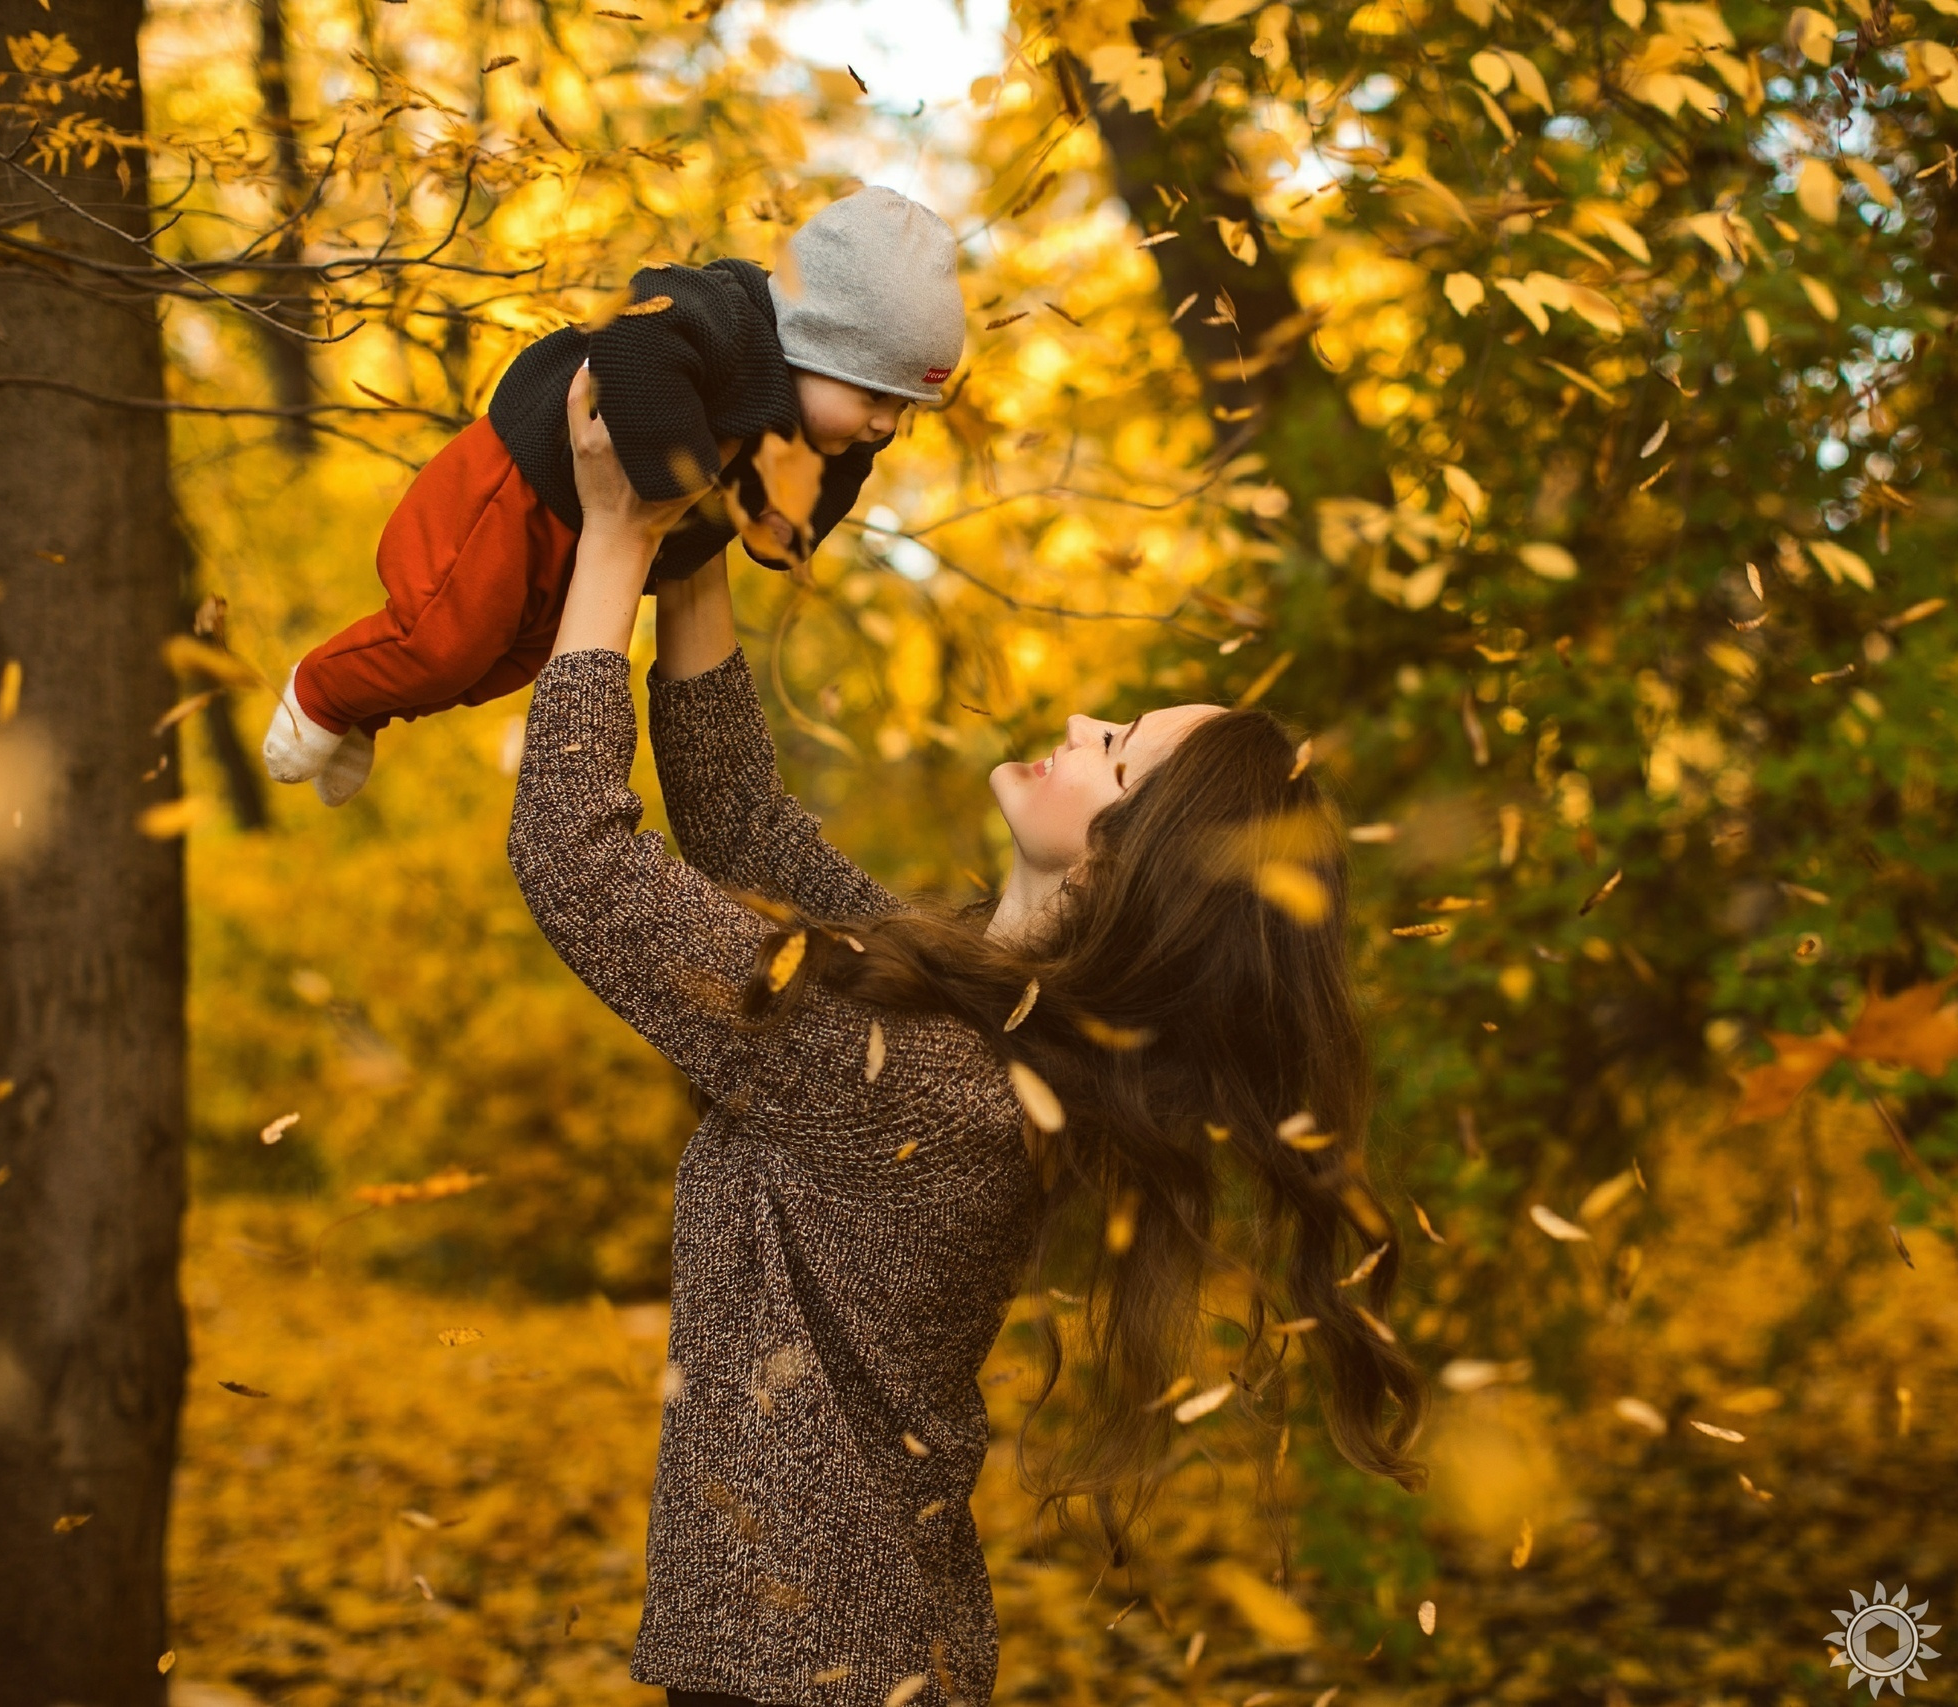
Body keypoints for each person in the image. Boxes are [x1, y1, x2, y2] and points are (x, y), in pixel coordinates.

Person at [509, 366, 1424, 1707]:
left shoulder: (931, 1083)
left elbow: (577, 861)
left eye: (1113, 750)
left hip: (810, 1673)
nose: (1074, 723)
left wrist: (612, 535)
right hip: (833, 1655)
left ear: (1124, 872)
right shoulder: (974, 1014)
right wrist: (697, 542)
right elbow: (747, 831)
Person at [264, 186, 963, 805]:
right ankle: (322, 690)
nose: (883, 425)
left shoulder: (809, 421)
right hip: (512, 494)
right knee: (443, 640)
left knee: (502, 662)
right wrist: (682, 482)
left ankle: (366, 709)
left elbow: (788, 528)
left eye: (902, 409)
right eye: (874, 395)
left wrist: (813, 497)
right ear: (816, 343)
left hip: (575, 541)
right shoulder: (726, 318)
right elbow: (633, 328)